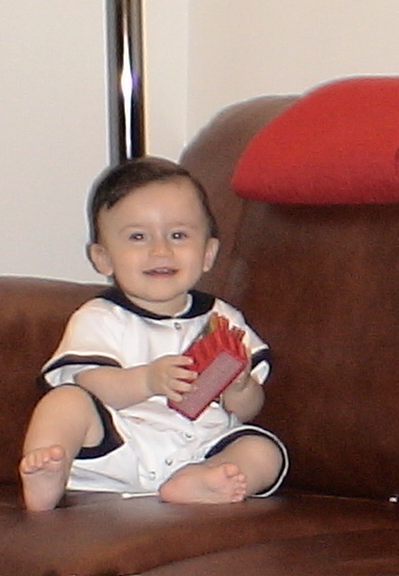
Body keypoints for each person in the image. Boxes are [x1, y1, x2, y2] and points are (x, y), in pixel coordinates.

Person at [19, 156, 287, 511]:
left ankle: (200, 481)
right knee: (65, 402)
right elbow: (92, 384)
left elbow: (249, 409)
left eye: (178, 235)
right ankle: (49, 470)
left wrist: (240, 387)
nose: (161, 250)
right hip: (119, 447)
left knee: (265, 450)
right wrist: (147, 381)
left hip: (202, 448)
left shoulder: (225, 319)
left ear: (208, 253)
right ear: (103, 258)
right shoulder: (100, 318)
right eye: (138, 237)